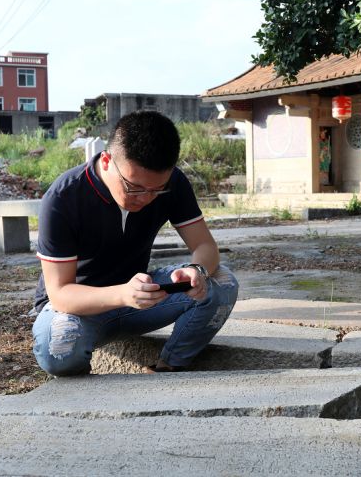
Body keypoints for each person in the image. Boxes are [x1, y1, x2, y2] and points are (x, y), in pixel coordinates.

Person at [31, 110, 239, 376]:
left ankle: (168, 368)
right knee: (57, 347)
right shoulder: (64, 197)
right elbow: (60, 293)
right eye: (134, 187)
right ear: (106, 161)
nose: (145, 198)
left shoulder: (173, 182)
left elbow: (206, 247)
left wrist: (196, 271)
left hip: (140, 300)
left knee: (222, 282)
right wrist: (122, 294)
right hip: (79, 309)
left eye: (157, 190)